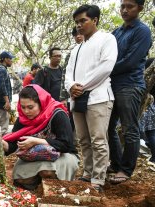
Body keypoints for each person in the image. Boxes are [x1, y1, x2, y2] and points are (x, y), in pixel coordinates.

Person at [65, 4, 117, 192]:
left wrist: (82, 87)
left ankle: (98, 179)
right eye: (77, 22)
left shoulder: (107, 39)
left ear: (94, 20)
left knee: (98, 140)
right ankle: (87, 173)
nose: (79, 25)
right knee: (83, 140)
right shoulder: (77, 48)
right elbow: (68, 73)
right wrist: (71, 86)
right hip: (78, 98)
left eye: (83, 20)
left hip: (98, 97)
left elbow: (106, 67)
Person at [108, 0, 152, 184]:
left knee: (129, 129)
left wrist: (105, 69)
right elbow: (106, 55)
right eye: (122, 6)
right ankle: (116, 163)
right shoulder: (117, 32)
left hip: (130, 85)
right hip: (111, 84)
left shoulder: (142, 31)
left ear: (140, 8)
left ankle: (126, 170)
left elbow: (131, 61)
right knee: (108, 127)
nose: (124, 10)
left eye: (130, 7)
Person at [2, 85, 78, 190]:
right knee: (21, 179)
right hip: (34, 157)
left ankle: (52, 187)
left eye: (30, 107)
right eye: (23, 107)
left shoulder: (58, 114)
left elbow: (66, 145)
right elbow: (14, 145)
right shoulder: (23, 119)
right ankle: (38, 185)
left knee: (48, 172)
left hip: (62, 155)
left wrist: (36, 141)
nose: (26, 111)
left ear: (41, 103)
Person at [0, 51, 14, 135]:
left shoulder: (1, 69)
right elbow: (2, 86)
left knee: (0, 128)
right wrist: (7, 101)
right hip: (1, 104)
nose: (11, 61)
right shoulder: (2, 69)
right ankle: (0, 147)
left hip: (0, 103)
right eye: (10, 59)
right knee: (2, 130)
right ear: (5, 59)